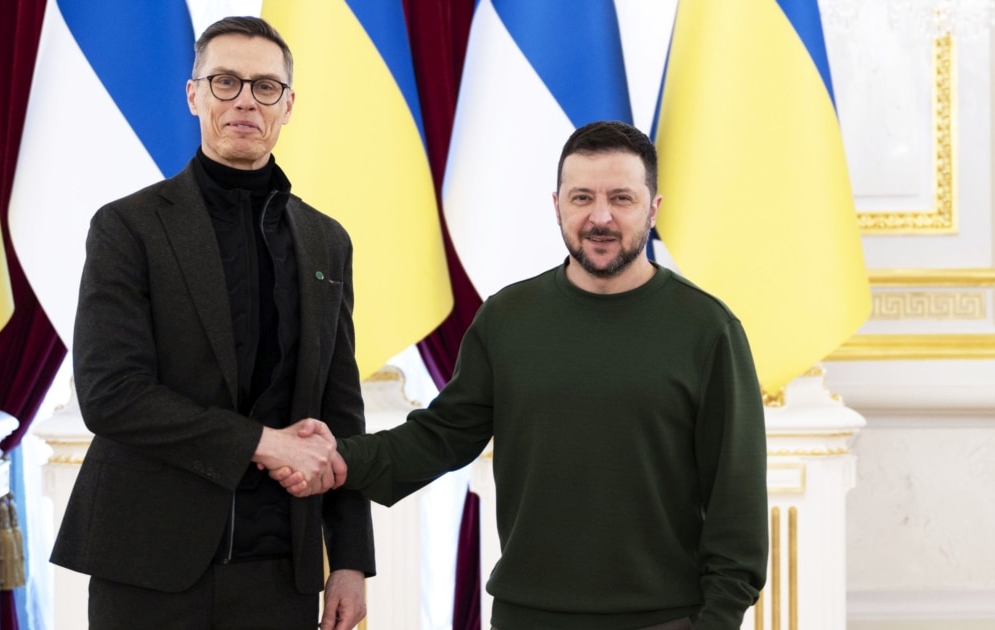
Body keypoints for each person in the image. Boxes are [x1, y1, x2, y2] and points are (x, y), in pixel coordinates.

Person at [280, 121, 768, 629]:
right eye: (582, 198)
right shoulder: (507, 319)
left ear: (653, 208)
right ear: (557, 205)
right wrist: (335, 458)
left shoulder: (708, 330)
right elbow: (438, 439)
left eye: (621, 198)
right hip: (525, 617)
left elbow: (738, 506)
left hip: (665, 619)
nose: (600, 217)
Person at [50, 16, 374, 630]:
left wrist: (351, 559)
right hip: (146, 562)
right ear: (194, 94)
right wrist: (263, 443)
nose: (246, 100)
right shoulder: (127, 227)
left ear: (288, 105)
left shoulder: (327, 240)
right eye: (226, 82)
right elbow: (111, 395)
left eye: (265, 86)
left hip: (280, 570)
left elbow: (340, 412)